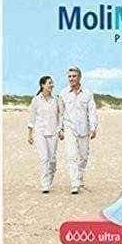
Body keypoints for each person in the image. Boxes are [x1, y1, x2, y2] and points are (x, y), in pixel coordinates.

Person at [59, 66, 98, 194]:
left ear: (80, 77)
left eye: (74, 76)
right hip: (69, 128)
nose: (71, 79)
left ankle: (80, 179)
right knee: (71, 156)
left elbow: (92, 111)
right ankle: (74, 184)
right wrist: (60, 129)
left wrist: (93, 127)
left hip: (84, 129)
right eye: (69, 76)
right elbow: (60, 113)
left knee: (84, 156)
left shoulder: (87, 93)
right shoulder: (63, 93)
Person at [27, 76, 63, 193]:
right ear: (43, 85)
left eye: (52, 83)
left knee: (52, 160)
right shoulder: (36, 100)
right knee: (44, 158)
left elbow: (61, 115)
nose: (52, 85)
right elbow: (32, 118)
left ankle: (50, 178)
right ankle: (45, 184)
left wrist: (61, 129)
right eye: (49, 83)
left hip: (53, 133)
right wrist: (29, 134)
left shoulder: (56, 99)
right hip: (40, 132)